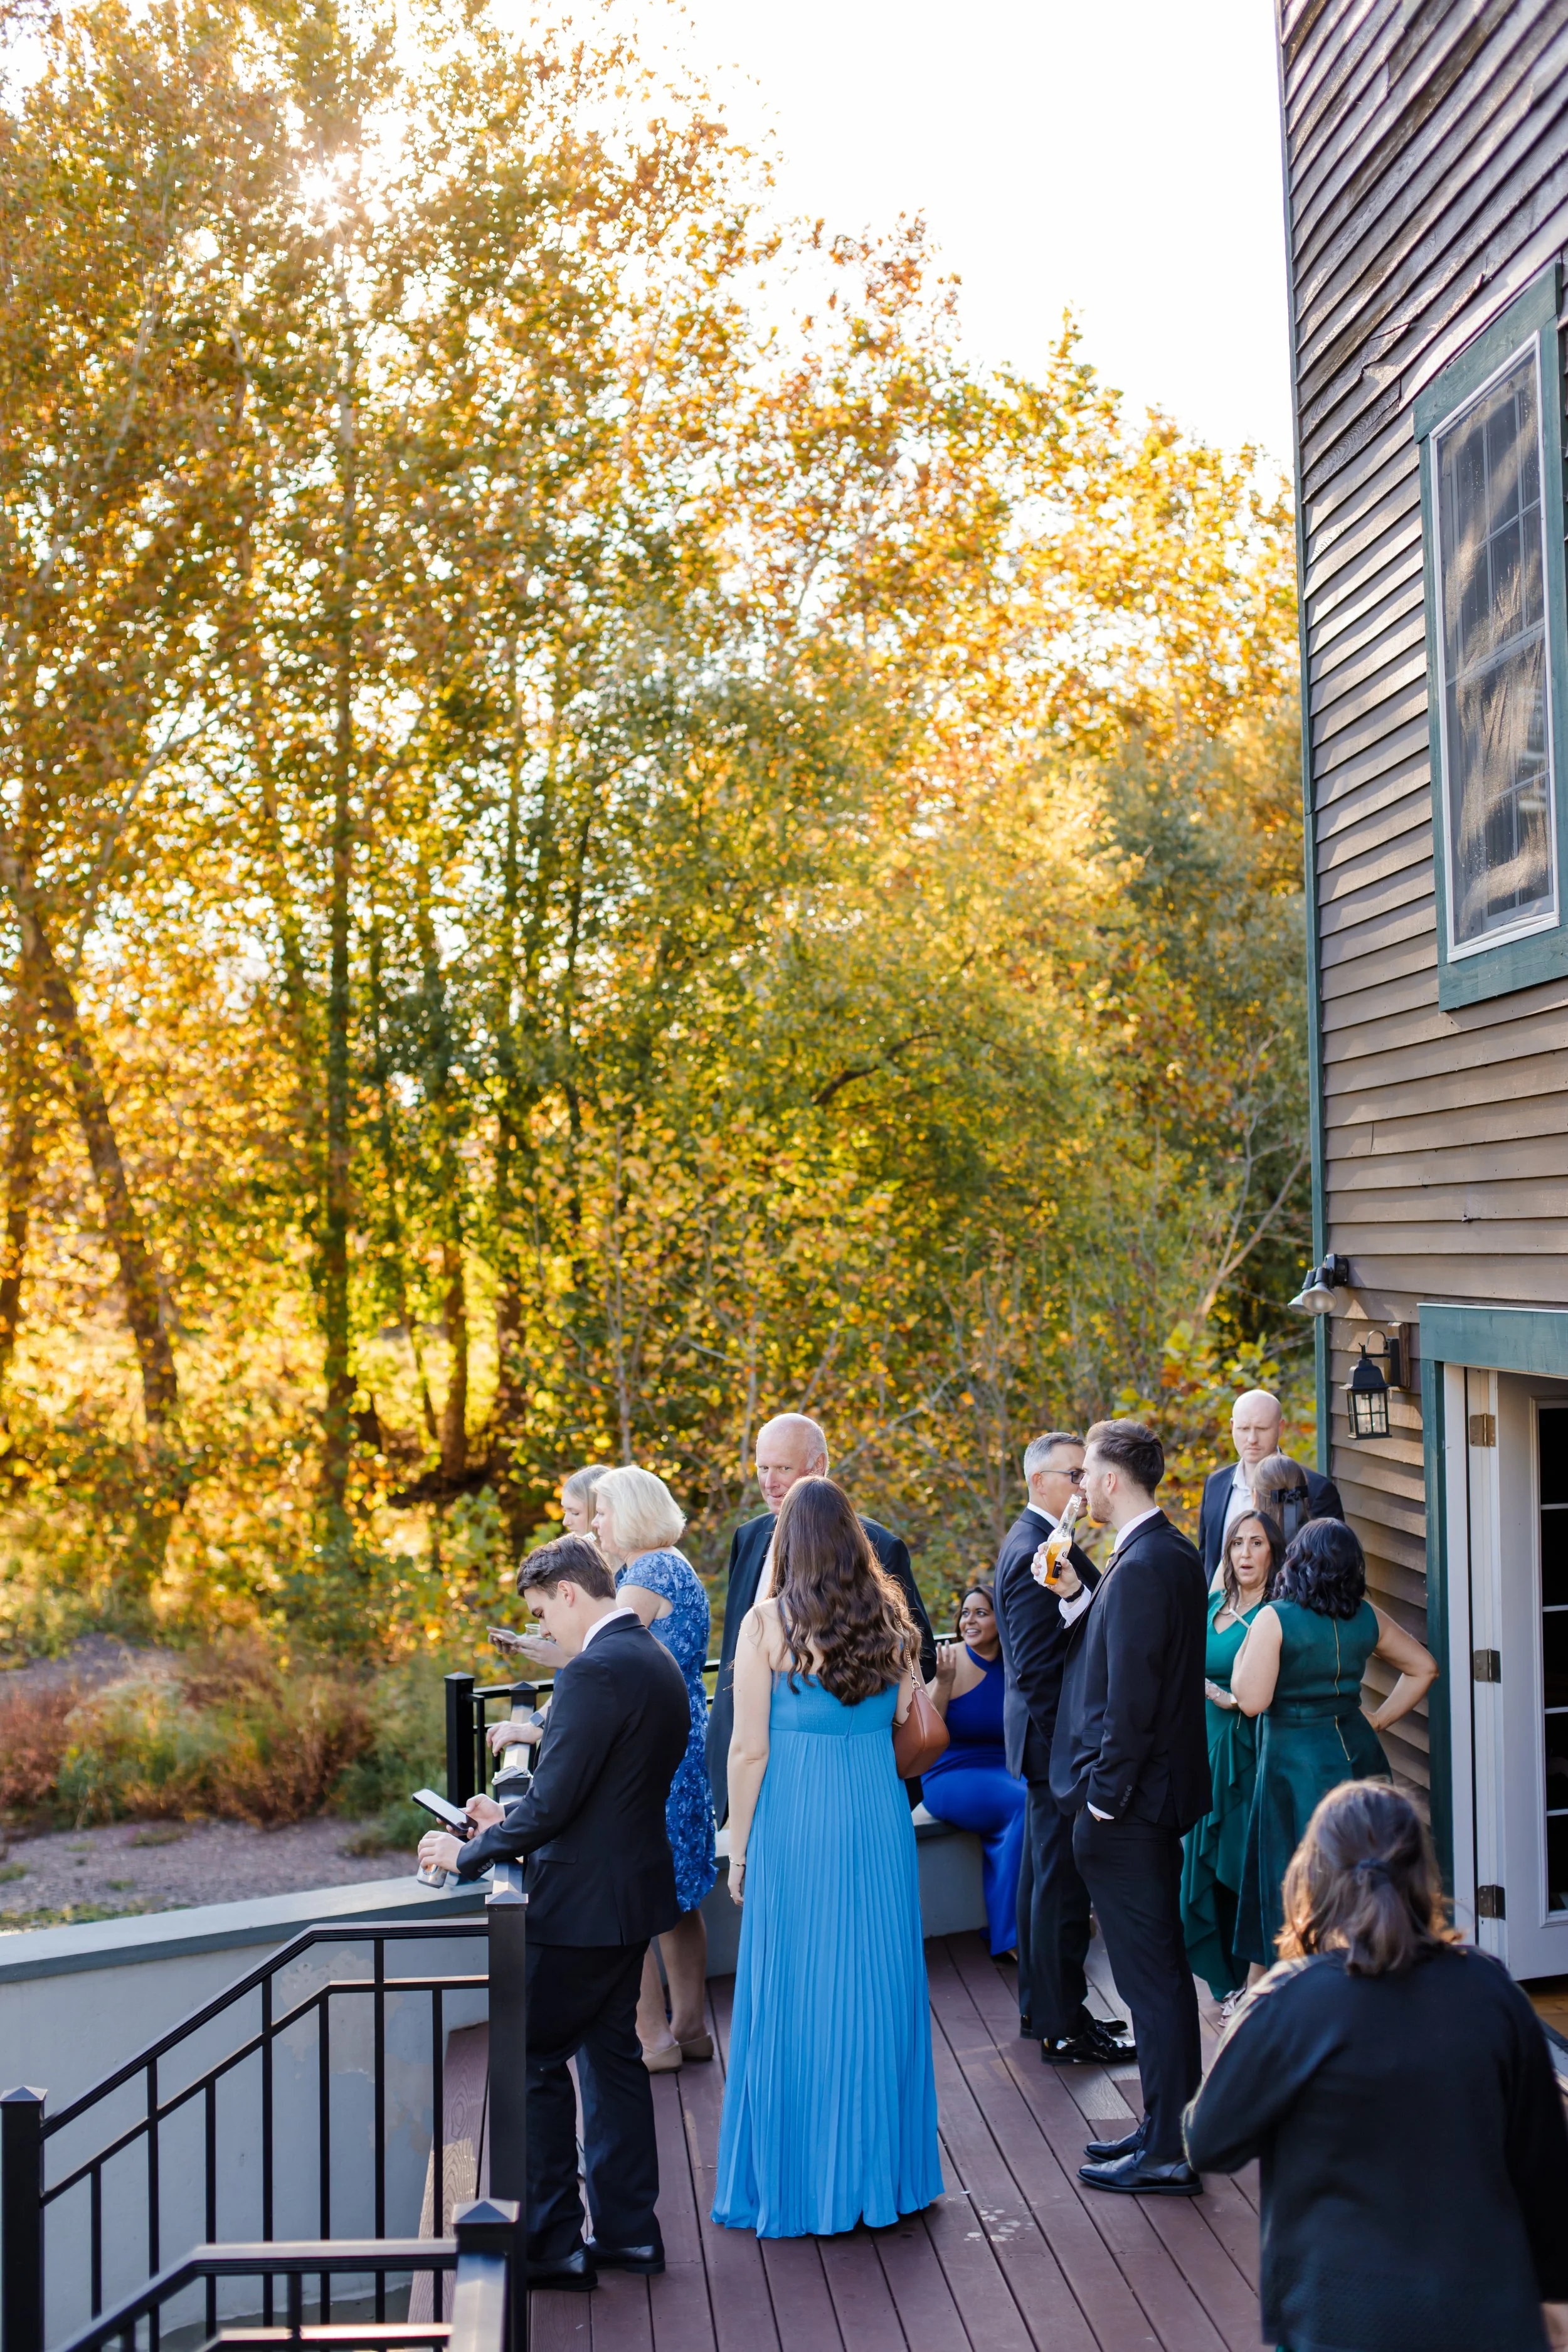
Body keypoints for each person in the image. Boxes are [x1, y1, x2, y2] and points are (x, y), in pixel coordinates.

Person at [1185, 1782, 1568, 2352]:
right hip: (1487, 2311)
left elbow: (1208, 2142)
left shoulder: (1292, 2001)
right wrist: (1553, 2303)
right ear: (1422, 1876)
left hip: (1340, 2317)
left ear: (1313, 1876)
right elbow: (1544, 2168)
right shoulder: (1492, 1991)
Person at [416, 1535, 690, 2293]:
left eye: (542, 1613)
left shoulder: (595, 1671)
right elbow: (585, 1791)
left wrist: (463, 1853)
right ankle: (631, 2235)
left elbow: (554, 1802)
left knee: (531, 2059)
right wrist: (496, 1820)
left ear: (570, 1594)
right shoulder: (652, 1658)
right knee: (612, 2063)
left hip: (578, 1909)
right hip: (629, 1898)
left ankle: (551, 2245)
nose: (544, 1631)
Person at [711, 1476, 943, 2238]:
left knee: (794, 1993)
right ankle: (885, 2177)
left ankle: (803, 2180)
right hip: (876, 1817)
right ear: (853, 1539)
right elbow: (911, 1714)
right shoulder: (892, 1622)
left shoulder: (764, 1626)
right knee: (878, 1989)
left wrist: (738, 1852)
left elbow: (747, 1750)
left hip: (795, 1823)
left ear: (788, 1544)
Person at [1047, 1419, 1210, 2196]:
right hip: (1145, 1802)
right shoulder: (1162, 1553)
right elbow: (1122, 1658)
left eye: (1086, 1475)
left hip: (1132, 1808)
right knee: (1154, 1978)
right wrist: (1079, 1595)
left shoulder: (1148, 1564)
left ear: (1113, 1480)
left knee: (1152, 1980)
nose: (1080, 1487)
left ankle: (1170, 2151)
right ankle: (1158, 2128)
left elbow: (1137, 1699)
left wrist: (1104, 1801)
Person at [705, 1412, 936, 1817]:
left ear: (818, 1468)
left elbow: (922, 1656)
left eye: (783, 1468)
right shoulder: (747, 1537)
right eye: (762, 1468)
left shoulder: (877, 1545)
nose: (769, 1481)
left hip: (839, 1769)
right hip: (744, 1759)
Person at [1232, 1515, 1438, 1971]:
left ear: (1296, 1562)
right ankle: (1374, 1964)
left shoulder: (1276, 1617)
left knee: (1297, 1871)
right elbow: (1423, 1667)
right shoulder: (1366, 1616)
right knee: (1366, 1871)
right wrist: (1380, 1719)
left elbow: (1250, 1701)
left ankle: (1297, 1981)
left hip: (1294, 1759)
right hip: (1358, 1749)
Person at [992, 1430, 1131, 2067]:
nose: (1083, 1483)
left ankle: (1046, 2010)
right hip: (1055, 1751)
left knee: (1044, 1886)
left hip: (1051, 1749)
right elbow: (1036, 1671)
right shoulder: (1031, 1552)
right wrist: (1072, 1760)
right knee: (1059, 1893)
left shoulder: (1052, 1545)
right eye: (1073, 1473)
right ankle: (1061, 2026)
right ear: (1038, 1481)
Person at [591, 1464, 718, 2073]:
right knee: (677, 1894)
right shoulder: (671, 1565)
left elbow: (610, 1661)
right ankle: (689, 2028)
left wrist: (541, 1726)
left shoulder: (647, 1572)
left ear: (632, 1513)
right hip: (681, 1732)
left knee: (631, 1891)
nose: (594, 1522)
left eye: (601, 1511)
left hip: (650, 1745)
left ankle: (651, 2039)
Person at [1180, 1509, 1282, 2006]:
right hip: (1203, 1746)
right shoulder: (1212, 1603)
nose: (1245, 1553)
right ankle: (1225, 1986)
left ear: (1273, 1552)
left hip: (1251, 1750)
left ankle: (1254, 1982)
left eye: (1256, 1543)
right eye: (1237, 1543)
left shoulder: (1277, 1612)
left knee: (1241, 1865)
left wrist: (1232, 1698)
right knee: (1200, 1867)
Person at [920, 1583, 1027, 1961]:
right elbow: (924, 1730)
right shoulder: (952, 1662)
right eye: (965, 1613)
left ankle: (1064, 1916)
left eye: (981, 1612)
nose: (970, 1620)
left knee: (1053, 1799)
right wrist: (944, 1685)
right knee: (1026, 1804)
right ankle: (1011, 1937)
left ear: (1001, 1619)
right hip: (952, 1774)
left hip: (1006, 1770)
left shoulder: (1016, 1661)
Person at [1195, 1389, 1343, 1584]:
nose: (1252, 1439)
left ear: (1280, 1428)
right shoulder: (1215, 1484)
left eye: (1262, 1429)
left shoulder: (1316, 1490)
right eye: (1243, 1429)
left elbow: (1329, 1568)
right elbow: (1206, 1560)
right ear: (1232, 1426)